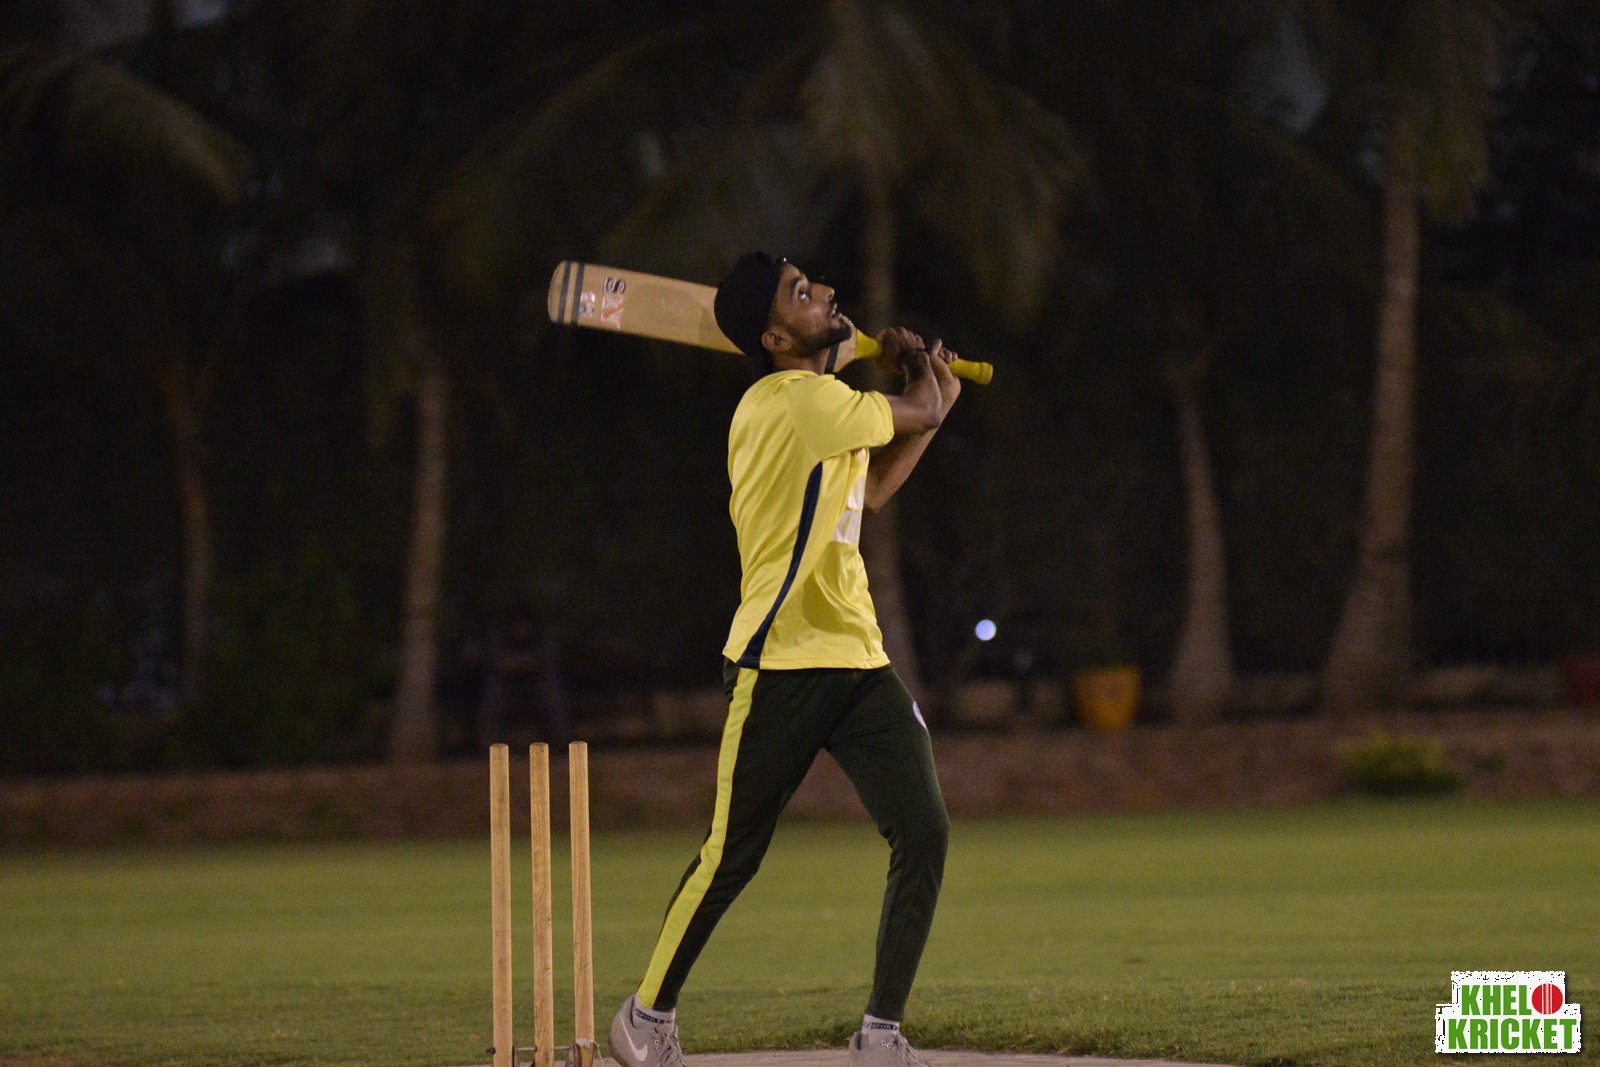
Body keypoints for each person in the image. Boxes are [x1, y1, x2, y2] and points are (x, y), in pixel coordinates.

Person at [607, 252, 961, 1067]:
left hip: (855, 657)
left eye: (816, 284)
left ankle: (881, 1034)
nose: (826, 292)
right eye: (802, 295)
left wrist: (930, 397)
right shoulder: (798, 403)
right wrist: (921, 371)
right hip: (780, 662)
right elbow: (915, 409)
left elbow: (870, 492)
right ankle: (643, 1018)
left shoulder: (823, 409)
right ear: (773, 338)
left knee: (924, 829)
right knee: (731, 853)